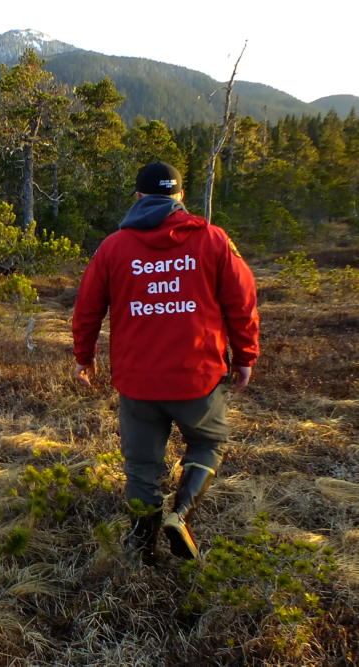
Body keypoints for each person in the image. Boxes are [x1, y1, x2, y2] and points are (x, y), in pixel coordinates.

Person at [71, 161, 259, 564]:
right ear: (179, 198)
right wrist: (245, 355)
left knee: (141, 467)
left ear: (138, 198)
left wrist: (84, 357)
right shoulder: (211, 240)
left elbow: (87, 308)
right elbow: (242, 303)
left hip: (137, 382)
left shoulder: (113, 248)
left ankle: (142, 548)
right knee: (208, 441)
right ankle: (181, 514)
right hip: (198, 378)